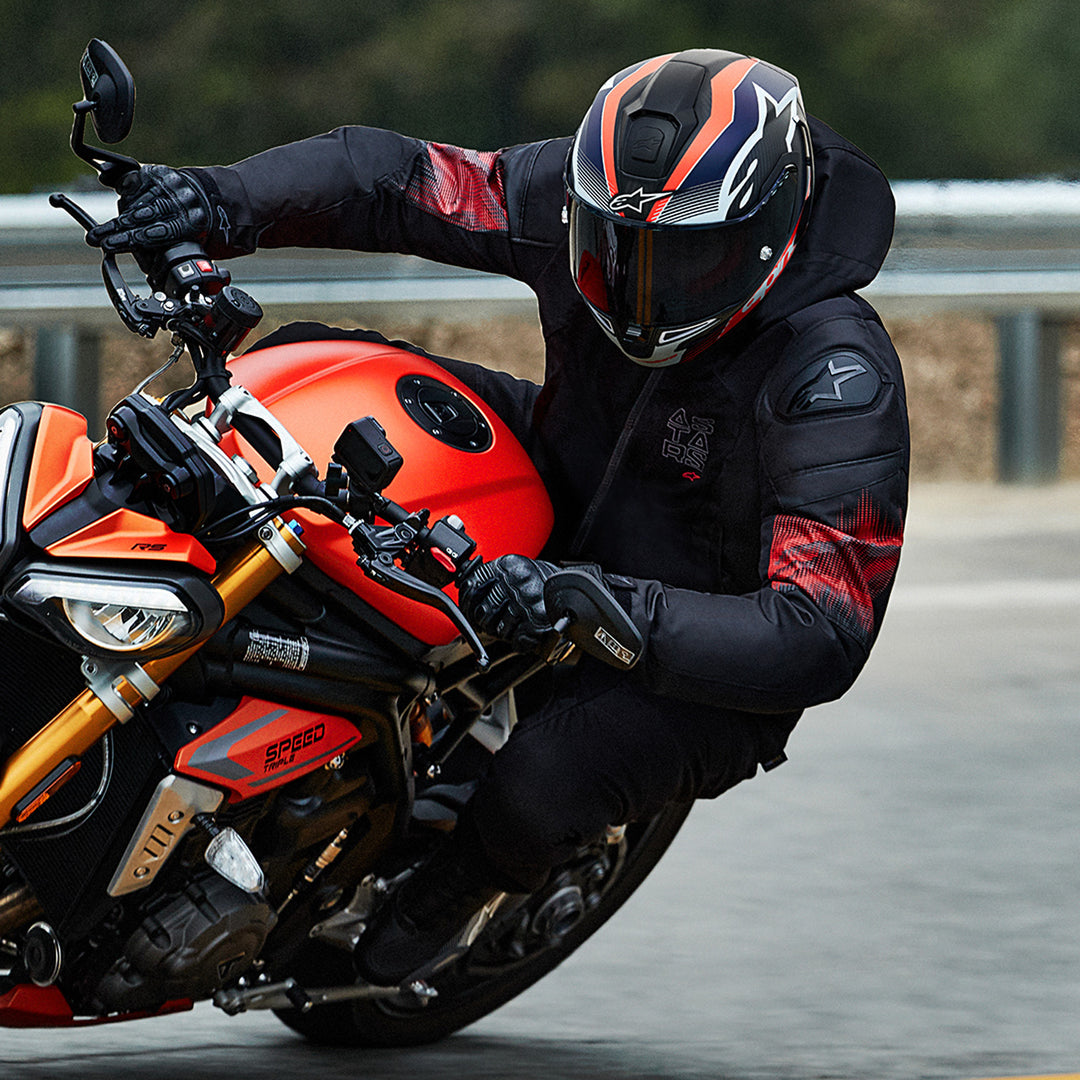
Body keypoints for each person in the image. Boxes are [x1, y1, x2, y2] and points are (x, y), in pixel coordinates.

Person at [88, 48, 909, 985]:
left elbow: (821, 630)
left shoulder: (836, 377)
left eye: (685, 255)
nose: (642, 284)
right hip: (565, 466)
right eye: (616, 249)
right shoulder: (578, 199)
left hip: (696, 634)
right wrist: (215, 201)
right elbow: (394, 180)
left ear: (767, 231)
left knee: (545, 778)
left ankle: (454, 896)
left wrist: (608, 606)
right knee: (317, 374)